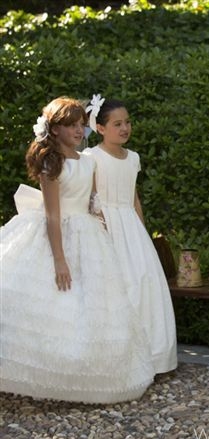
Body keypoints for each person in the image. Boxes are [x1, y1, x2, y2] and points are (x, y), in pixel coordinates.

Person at [0, 97, 154, 403]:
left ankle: (85, 370)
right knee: (51, 301)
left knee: (93, 305)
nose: (78, 130)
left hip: (88, 235)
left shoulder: (90, 162)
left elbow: (93, 203)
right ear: (54, 129)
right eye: (71, 125)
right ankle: (47, 371)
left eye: (81, 125)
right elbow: (52, 215)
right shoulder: (50, 164)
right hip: (58, 234)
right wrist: (60, 259)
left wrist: (105, 233)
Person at [83, 94, 178, 374]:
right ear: (100, 128)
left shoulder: (133, 157)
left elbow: (134, 198)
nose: (124, 128)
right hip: (104, 223)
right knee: (115, 286)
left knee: (144, 281)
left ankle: (152, 357)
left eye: (127, 122)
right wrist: (99, 229)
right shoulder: (92, 157)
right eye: (117, 124)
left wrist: (142, 233)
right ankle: (115, 362)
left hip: (130, 227)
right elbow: (89, 197)